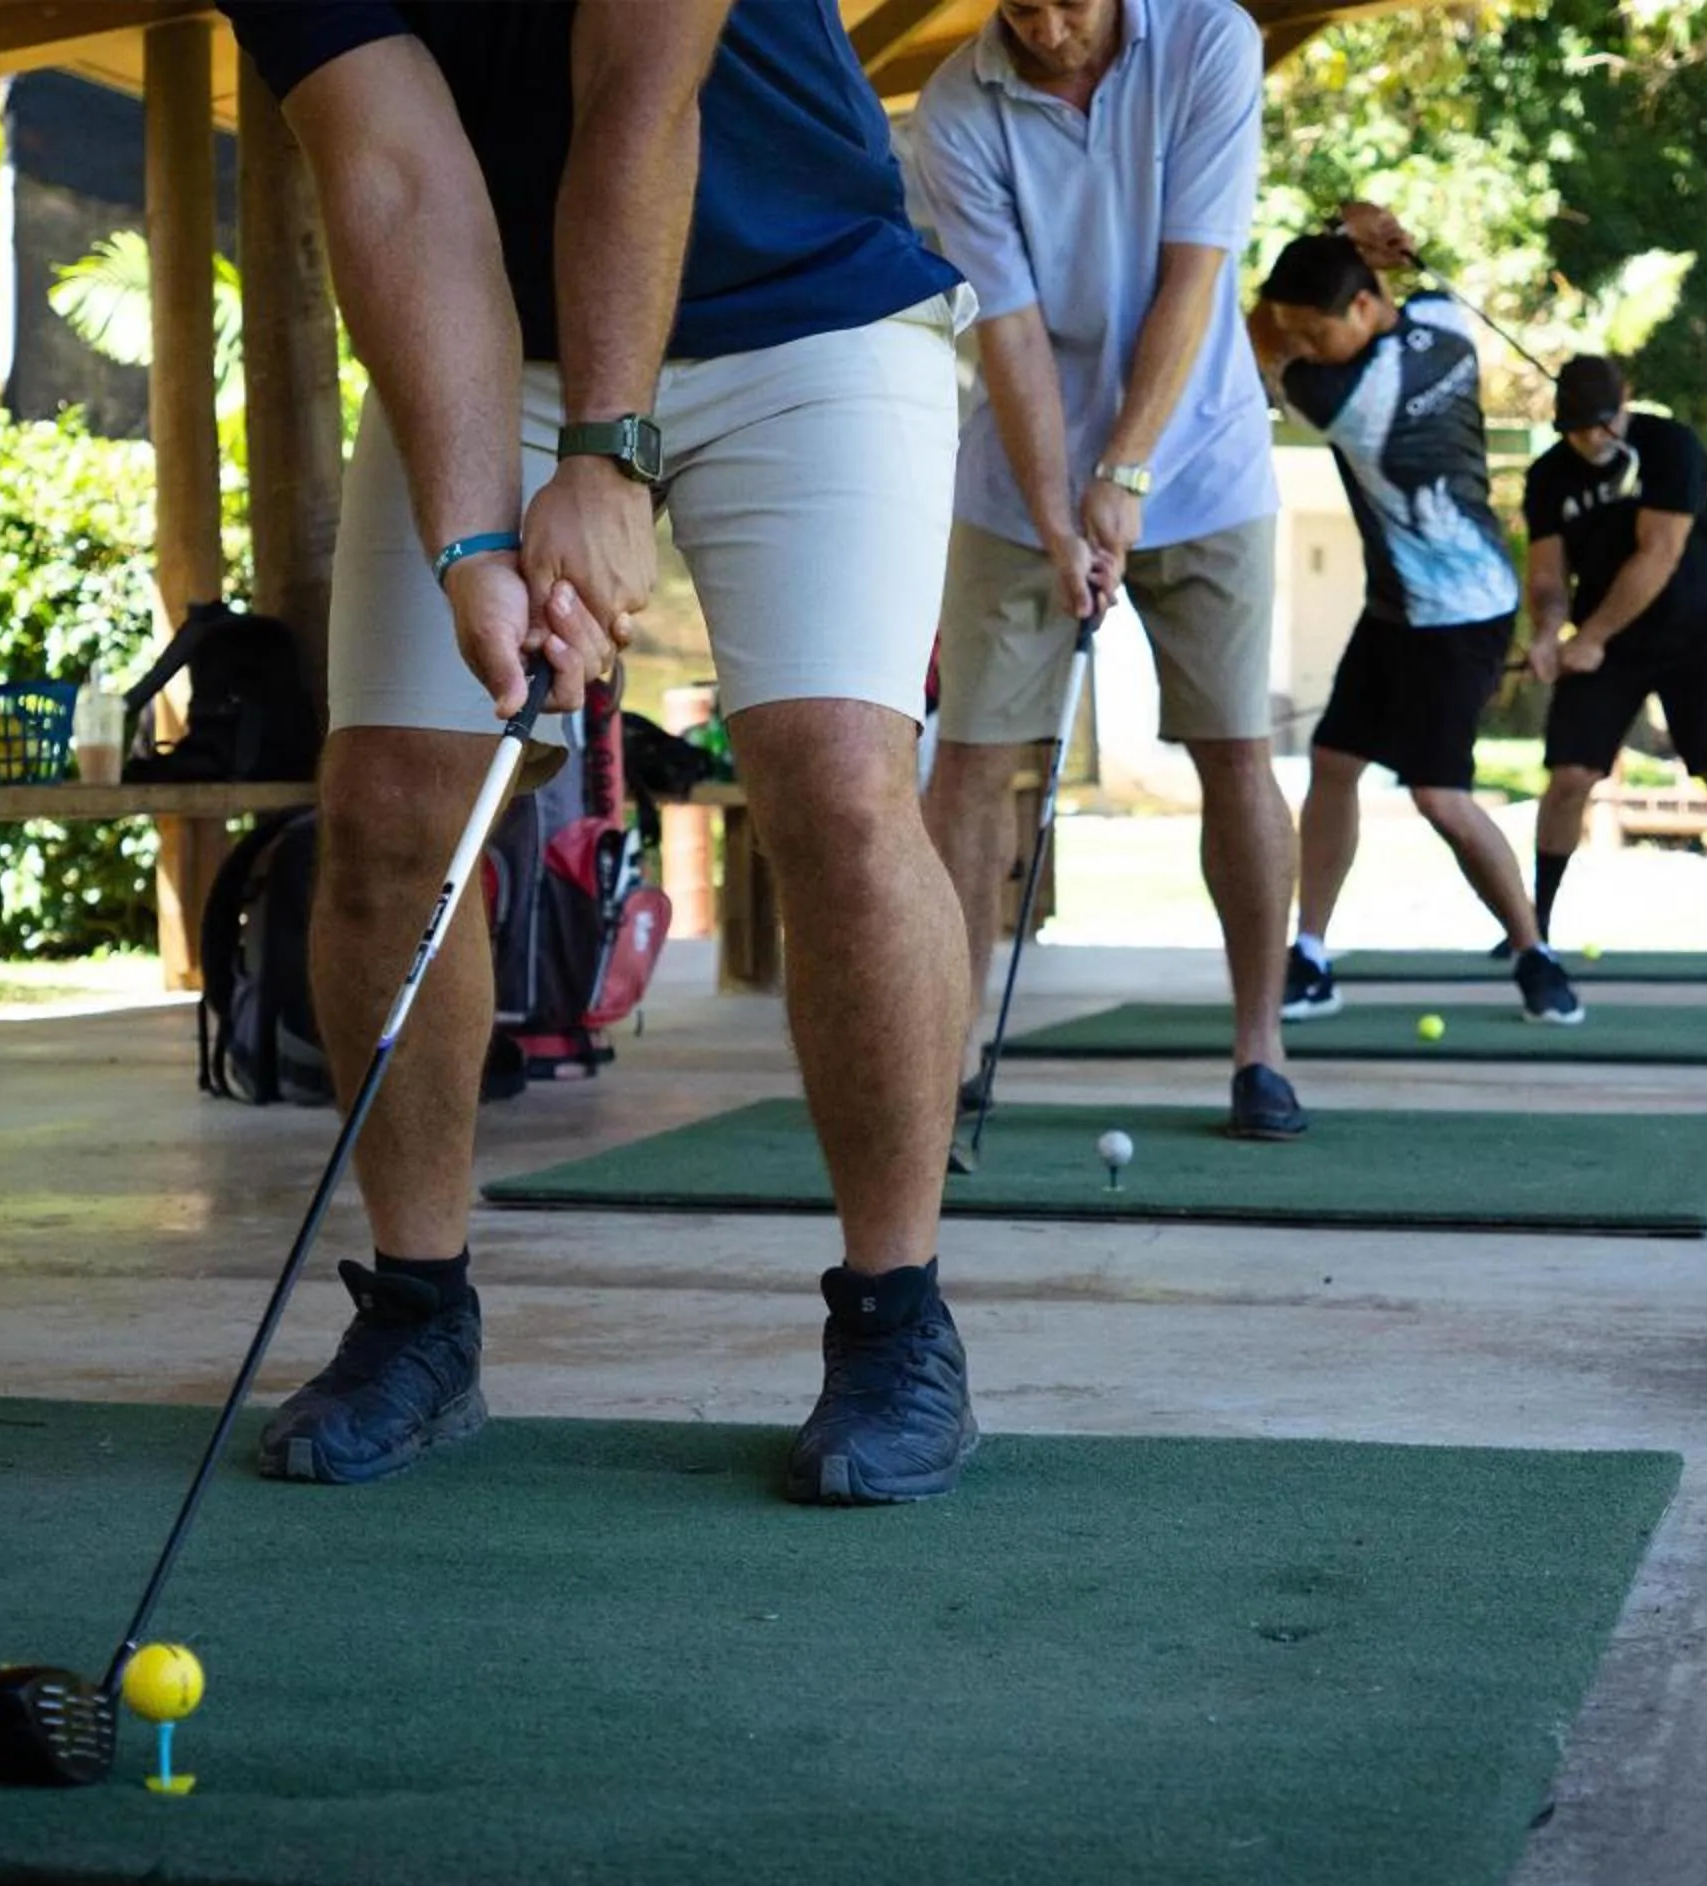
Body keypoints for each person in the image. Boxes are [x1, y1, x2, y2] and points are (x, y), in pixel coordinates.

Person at [224, 0, 987, 1504]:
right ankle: (419, 1318)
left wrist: (606, 452)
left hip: (812, 311)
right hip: (493, 329)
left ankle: (898, 1321)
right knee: (386, 806)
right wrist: (464, 544)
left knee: (835, 782)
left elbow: (643, 92)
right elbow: (391, 171)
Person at [910, 0, 1307, 1141]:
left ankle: (1259, 1050)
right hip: (1015, 479)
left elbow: (1195, 276)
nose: (1048, 26)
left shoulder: (1210, 40)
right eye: (1020, 3)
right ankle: (946, 1043)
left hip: (1209, 457)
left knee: (1234, 746)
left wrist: (1123, 473)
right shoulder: (954, 108)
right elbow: (1012, 332)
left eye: (1070, 0)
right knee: (975, 760)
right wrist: (1055, 514)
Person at [1248, 218, 1584, 1028]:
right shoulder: (1446, 322)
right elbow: (1306, 310)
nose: (1304, 343)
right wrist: (1352, 244)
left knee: (1439, 796)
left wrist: (1341, 235)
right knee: (1333, 762)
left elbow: (1252, 338)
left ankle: (1535, 954)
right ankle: (1313, 954)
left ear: (1365, 307)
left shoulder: (1347, 398)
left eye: (1317, 330)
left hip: (1460, 615)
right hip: (1397, 606)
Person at [1521, 356, 1707, 959]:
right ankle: (1533, 930)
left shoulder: (1670, 446)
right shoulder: (1548, 476)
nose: (1591, 438)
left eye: (1601, 422)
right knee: (1568, 780)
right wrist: (1547, 633)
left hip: (1692, 634)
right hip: (1604, 646)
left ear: (1626, 402)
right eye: (1576, 427)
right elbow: (1546, 574)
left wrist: (1588, 637)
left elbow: (1658, 552)